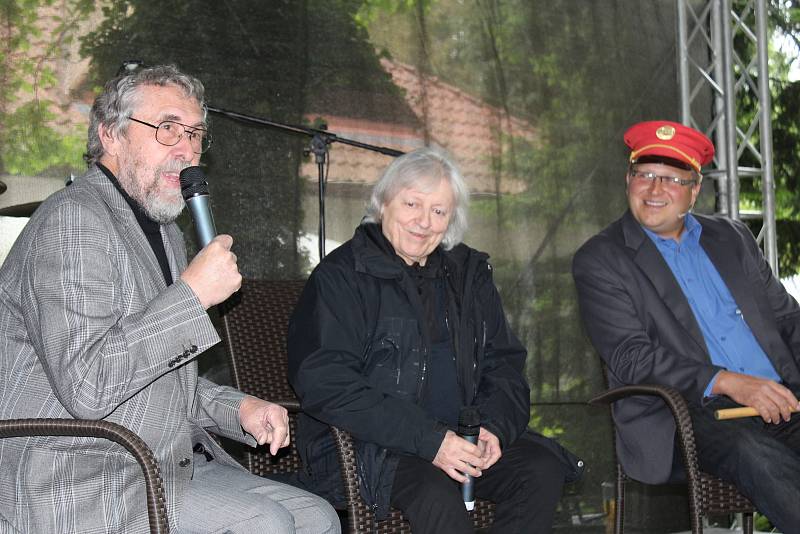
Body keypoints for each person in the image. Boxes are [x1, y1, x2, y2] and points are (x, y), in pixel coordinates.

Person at [0, 65, 340, 534]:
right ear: (111, 135)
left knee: (317, 517)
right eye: (167, 128)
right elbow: (89, 384)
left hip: (158, 463)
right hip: (77, 476)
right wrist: (191, 295)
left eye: (195, 133)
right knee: (266, 524)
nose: (187, 148)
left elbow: (159, 380)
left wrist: (237, 409)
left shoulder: (162, 230)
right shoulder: (74, 225)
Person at [287, 148, 583, 534]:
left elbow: (505, 365)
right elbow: (324, 380)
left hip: (461, 440)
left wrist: (494, 429)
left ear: (451, 221)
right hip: (372, 448)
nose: (423, 222)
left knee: (539, 469)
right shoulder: (342, 276)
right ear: (384, 203)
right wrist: (431, 441)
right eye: (412, 203)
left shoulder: (468, 275)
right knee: (435, 493)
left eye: (439, 211)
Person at [572, 120, 800, 532]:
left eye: (673, 179)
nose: (655, 190)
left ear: (694, 190)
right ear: (628, 180)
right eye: (645, 175)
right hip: (692, 415)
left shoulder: (731, 237)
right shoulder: (602, 259)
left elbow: (786, 318)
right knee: (754, 452)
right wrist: (729, 381)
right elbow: (631, 357)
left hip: (782, 397)